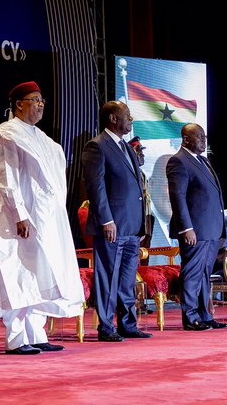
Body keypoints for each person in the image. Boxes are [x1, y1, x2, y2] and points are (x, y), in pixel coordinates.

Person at [0, 81, 85, 355]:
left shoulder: (43, 139)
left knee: (38, 275)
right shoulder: (8, 134)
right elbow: (6, 178)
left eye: (42, 100)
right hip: (14, 222)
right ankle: (15, 339)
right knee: (17, 276)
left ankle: (36, 334)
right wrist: (20, 216)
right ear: (19, 104)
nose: (40, 104)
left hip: (43, 223)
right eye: (34, 99)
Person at [81, 100, 152, 342]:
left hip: (132, 226)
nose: (131, 120)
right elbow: (96, 187)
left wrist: (141, 223)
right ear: (113, 119)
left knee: (126, 279)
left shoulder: (126, 147)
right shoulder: (97, 146)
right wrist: (106, 221)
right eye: (128, 116)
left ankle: (127, 324)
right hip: (111, 226)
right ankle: (106, 327)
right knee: (108, 277)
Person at [166, 123, 227, 331]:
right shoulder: (178, 161)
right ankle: (190, 316)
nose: (204, 140)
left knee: (204, 274)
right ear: (186, 139)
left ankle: (205, 315)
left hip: (211, 228)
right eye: (199, 137)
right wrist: (186, 228)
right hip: (195, 230)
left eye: (204, 136)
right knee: (192, 273)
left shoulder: (202, 160)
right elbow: (178, 197)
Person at [128, 136, 154, 248]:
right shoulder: (128, 174)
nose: (142, 155)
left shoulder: (141, 173)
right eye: (138, 151)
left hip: (146, 221)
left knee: (145, 258)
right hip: (134, 224)